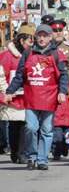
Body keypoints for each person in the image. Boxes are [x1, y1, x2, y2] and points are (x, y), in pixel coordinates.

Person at [4, 24, 69, 170]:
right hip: (32, 97)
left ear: (50, 37)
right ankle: (32, 156)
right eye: (39, 35)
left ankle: (42, 159)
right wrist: (10, 91)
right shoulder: (28, 53)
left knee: (46, 130)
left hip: (50, 97)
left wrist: (62, 92)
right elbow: (20, 75)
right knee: (31, 128)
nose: (41, 38)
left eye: (45, 35)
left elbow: (63, 76)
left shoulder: (56, 54)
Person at [0, 24, 35, 164]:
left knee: (27, 125)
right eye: (30, 41)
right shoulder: (7, 56)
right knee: (15, 126)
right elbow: (1, 76)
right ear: (22, 41)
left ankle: (23, 153)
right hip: (12, 96)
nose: (32, 43)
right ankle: (16, 153)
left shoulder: (32, 54)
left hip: (28, 95)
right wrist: (5, 93)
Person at [51, 86, 69, 160]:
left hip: (68, 119)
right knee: (57, 137)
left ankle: (65, 149)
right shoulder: (54, 89)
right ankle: (56, 153)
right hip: (57, 119)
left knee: (67, 138)